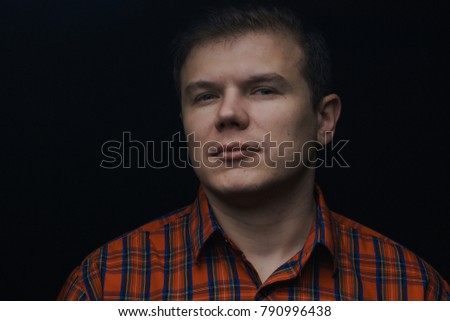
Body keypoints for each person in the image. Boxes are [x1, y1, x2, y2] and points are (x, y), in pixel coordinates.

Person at [58, 4, 449, 300]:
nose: (228, 114)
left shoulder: (412, 287)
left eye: (263, 89)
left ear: (324, 120)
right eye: (206, 96)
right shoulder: (104, 285)